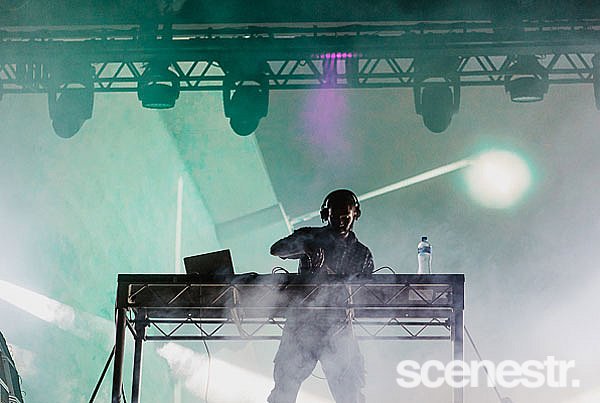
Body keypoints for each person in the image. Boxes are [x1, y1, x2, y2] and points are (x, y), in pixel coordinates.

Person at [267, 189, 374, 403]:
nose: (341, 221)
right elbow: (276, 249)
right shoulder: (311, 236)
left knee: (349, 395)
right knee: (284, 390)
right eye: (335, 216)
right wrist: (306, 247)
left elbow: (366, 294)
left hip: (339, 329)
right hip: (302, 325)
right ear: (326, 215)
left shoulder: (362, 254)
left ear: (355, 214)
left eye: (345, 216)